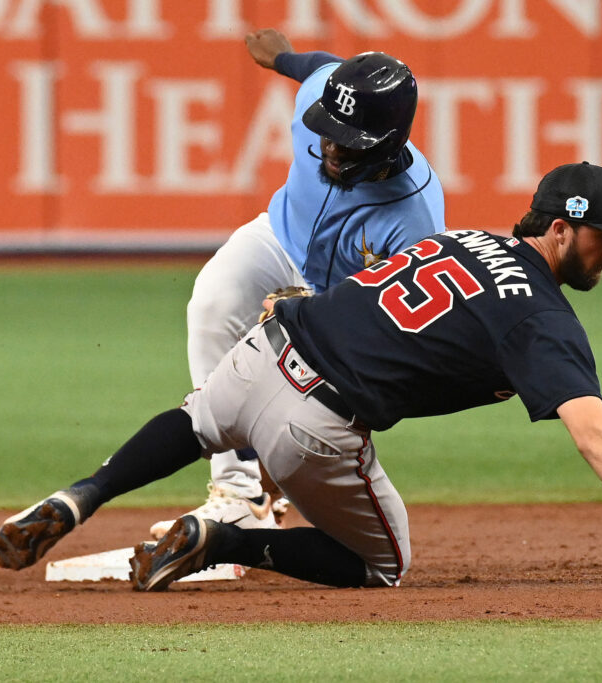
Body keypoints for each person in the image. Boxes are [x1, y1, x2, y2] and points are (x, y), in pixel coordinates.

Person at [0, 162, 602, 590]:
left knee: (196, 419)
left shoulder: (461, 237)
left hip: (267, 346)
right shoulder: (539, 315)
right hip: (314, 421)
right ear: (558, 229)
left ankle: (81, 493)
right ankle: (221, 542)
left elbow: (376, 285)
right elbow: (593, 431)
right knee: (383, 565)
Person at [158, 28, 446, 537]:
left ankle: (295, 491)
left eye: (348, 141)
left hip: (348, 297)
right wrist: (282, 56)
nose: (330, 145)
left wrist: (312, 310)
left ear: (390, 142)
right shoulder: (319, 92)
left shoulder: (414, 217)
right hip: (281, 235)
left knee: (300, 393)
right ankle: (238, 494)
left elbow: (393, 326)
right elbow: (319, 65)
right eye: (327, 130)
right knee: (213, 302)